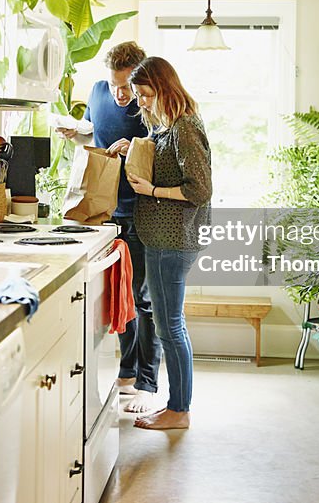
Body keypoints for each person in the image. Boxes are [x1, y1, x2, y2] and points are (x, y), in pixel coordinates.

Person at [57, 41, 161, 413]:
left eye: (125, 86)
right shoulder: (99, 92)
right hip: (104, 211)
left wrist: (133, 144)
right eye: (114, 84)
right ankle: (128, 369)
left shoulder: (150, 101)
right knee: (120, 297)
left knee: (143, 300)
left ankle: (148, 381)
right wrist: (78, 133)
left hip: (142, 212)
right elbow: (94, 131)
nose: (120, 94)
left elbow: (163, 147)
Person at [125, 56, 212, 430]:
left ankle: (179, 411)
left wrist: (153, 190)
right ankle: (177, 406)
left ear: (163, 88)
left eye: (144, 94)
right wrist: (133, 148)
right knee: (172, 326)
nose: (140, 102)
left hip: (172, 240)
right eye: (137, 95)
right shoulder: (170, 126)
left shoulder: (184, 128)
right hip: (165, 238)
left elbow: (200, 189)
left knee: (169, 328)